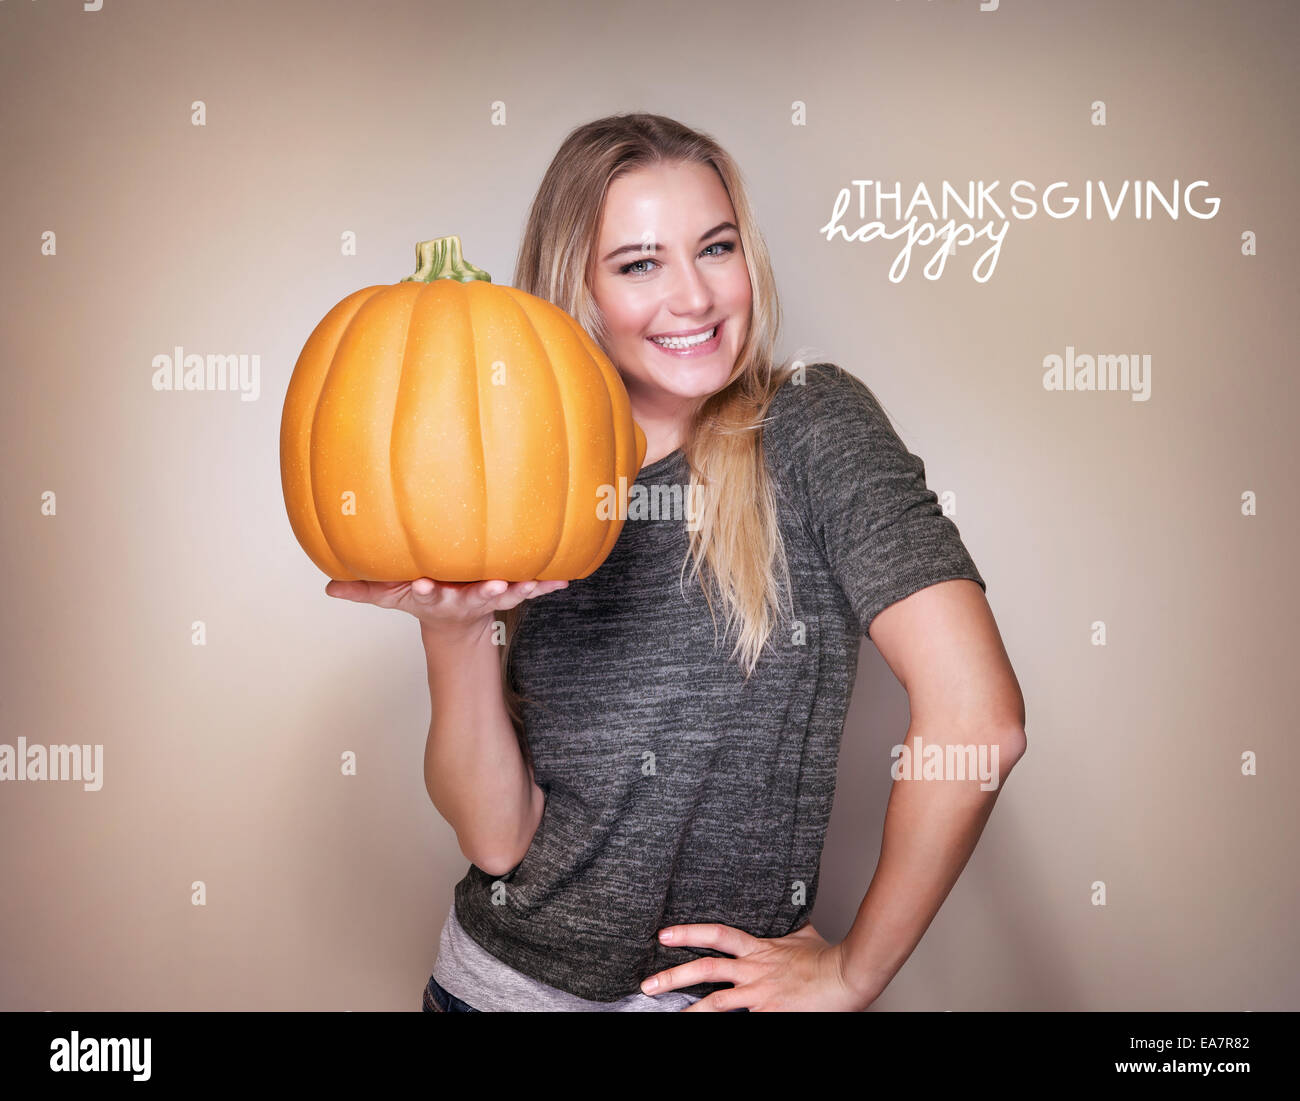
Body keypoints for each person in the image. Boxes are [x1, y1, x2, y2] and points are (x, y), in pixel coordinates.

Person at [328, 112, 1027, 1012]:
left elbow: (980, 722)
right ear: (576, 288)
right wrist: (452, 636)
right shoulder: (525, 478)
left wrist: (855, 972)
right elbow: (501, 842)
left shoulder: (815, 425)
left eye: (717, 247)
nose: (694, 298)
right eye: (639, 263)